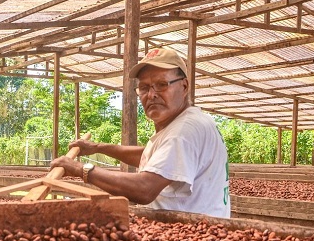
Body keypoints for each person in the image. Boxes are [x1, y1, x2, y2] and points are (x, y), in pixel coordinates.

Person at [51, 47, 230, 218]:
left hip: (194, 238)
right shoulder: (190, 122)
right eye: (144, 88)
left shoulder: (183, 131)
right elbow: (155, 159)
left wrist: (81, 169)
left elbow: (145, 189)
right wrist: (97, 147)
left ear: (184, 87)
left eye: (161, 85)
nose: (151, 95)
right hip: (201, 228)